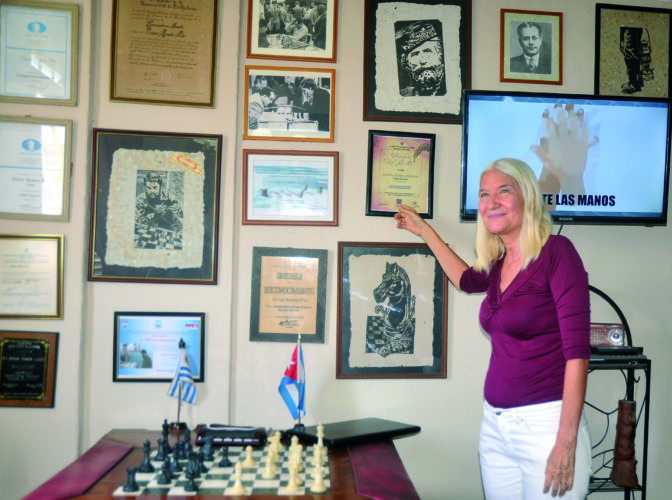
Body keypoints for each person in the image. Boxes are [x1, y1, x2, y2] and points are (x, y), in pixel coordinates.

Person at [395, 158, 591, 499]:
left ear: (528, 197)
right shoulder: (499, 261)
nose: (491, 202)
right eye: (484, 194)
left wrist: (566, 440)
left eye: (504, 191)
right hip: (496, 428)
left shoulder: (557, 253)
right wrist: (424, 230)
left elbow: (578, 354)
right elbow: (465, 279)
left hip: (546, 427)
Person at [396, 20, 446, 96]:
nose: (422, 61)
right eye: (414, 55)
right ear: (407, 63)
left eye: (427, 51)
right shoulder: (403, 96)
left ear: (440, 54)